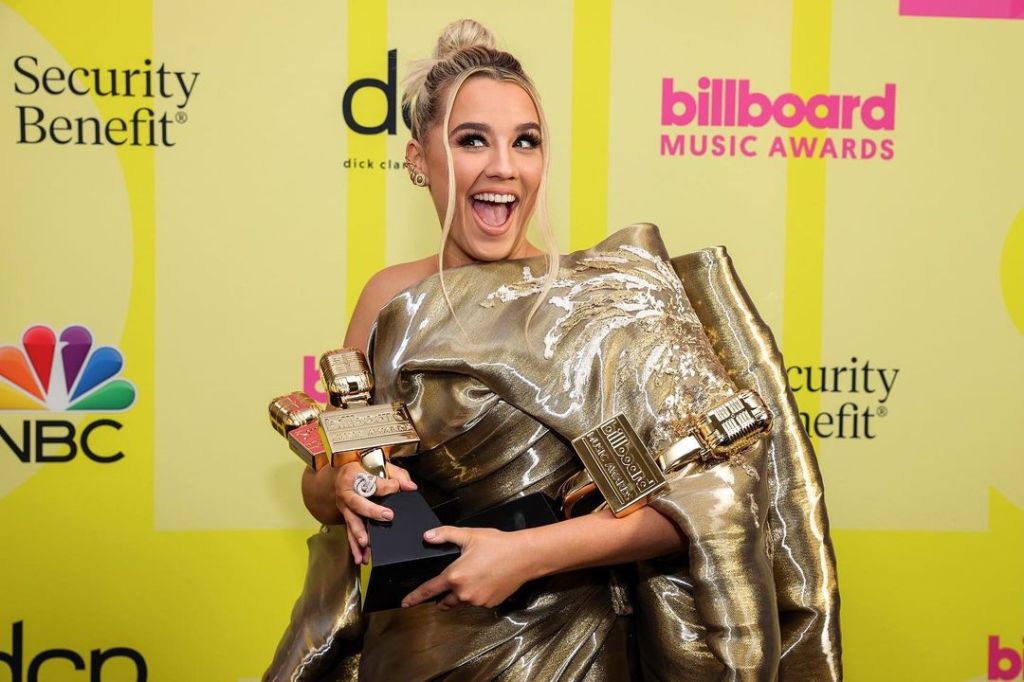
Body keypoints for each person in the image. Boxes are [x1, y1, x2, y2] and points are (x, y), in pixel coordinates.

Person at [291, 19, 841, 682]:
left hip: (569, 651)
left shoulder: (604, 298)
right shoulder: (388, 297)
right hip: (413, 650)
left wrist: (527, 554)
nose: (503, 166)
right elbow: (327, 477)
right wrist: (344, 486)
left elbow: (709, 496)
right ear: (418, 159)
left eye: (525, 141)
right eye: (472, 140)